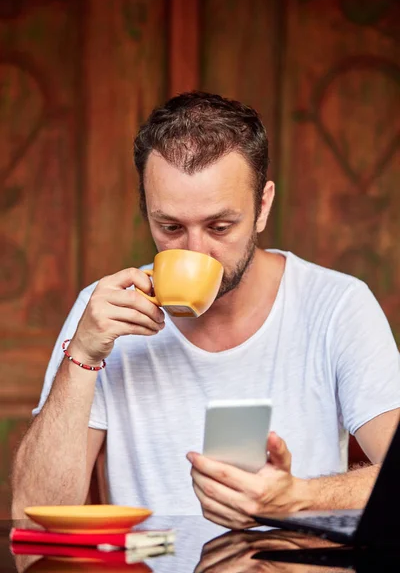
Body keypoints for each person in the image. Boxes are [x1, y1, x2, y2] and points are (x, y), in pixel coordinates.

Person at [12, 92, 400, 529]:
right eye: (171, 227)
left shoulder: (337, 305)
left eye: (220, 226)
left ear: (263, 206)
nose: (198, 252)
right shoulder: (103, 312)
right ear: (146, 211)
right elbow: (35, 524)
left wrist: (300, 498)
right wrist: (81, 355)